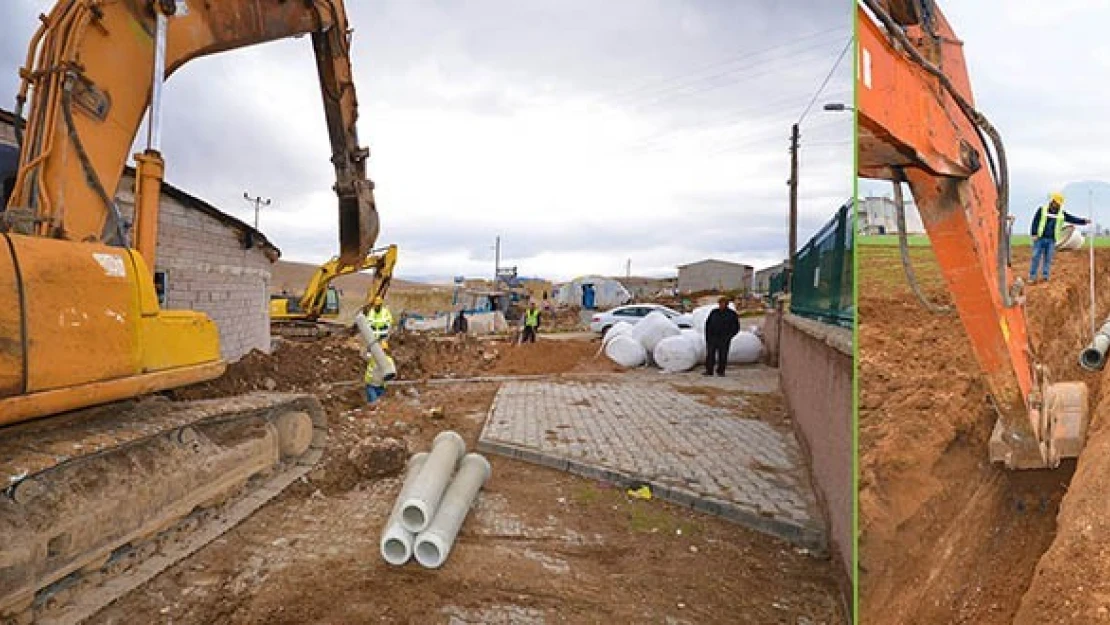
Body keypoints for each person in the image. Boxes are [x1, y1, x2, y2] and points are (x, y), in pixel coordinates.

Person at [1029, 192, 1090, 283]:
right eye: (1055, 203)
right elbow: (1035, 222)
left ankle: (1045, 276)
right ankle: (1032, 277)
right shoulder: (1042, 210)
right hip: (1039, 238)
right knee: (1035, 257)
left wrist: (1083, 221)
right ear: (1052, 201)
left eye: (1058, 204)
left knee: (1048, 259)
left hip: (1052, 240)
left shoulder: (1061, 214)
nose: (1056, 205)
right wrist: (1033, 233)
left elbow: (1072, 218)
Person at [704, 296, 740, 377]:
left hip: (724, 338)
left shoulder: (731, 314)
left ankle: (721, 371)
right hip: (713, 338)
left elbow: (736, 327)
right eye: (720, 303)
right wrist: (708, 336)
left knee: (723, 355)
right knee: (710, 355)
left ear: (726, 304)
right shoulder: (714, 312)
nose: (721, 305)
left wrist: (729, 336)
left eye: (723, 303)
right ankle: (709, 370)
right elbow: (708, 324)